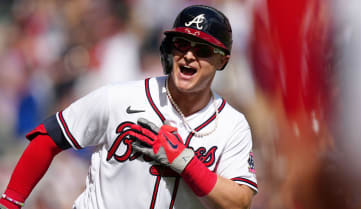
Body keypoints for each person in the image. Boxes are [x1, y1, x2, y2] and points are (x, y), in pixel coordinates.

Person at [0, 5, 258, 209]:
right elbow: (47, 138)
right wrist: (9, 203)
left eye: (202, 49)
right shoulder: (120, 97)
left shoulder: (231, 125)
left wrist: (186, 163)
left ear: (222, 60)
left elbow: (239, 201)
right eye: (181, 44)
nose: (189, 55)